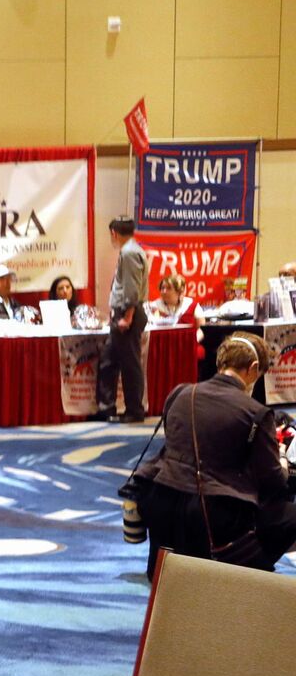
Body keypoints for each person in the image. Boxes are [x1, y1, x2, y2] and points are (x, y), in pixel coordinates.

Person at [131, 333, 295, 580]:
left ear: (221, 362)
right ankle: (245, 568)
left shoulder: (179, 394)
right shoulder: (257, 413)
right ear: (252, 369)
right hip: (214, 516)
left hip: (162, 504)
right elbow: (273, 482)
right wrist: (281, 460)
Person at [97, 216, 149, 422]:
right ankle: (106, 408)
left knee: (130, 364)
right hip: (122, 313)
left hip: (128, 314)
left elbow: (131, 289)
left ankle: (135, 411)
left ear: (113, 233)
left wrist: (127, 317)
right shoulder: (131, 250)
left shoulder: (129, 253)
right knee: (108, 360)